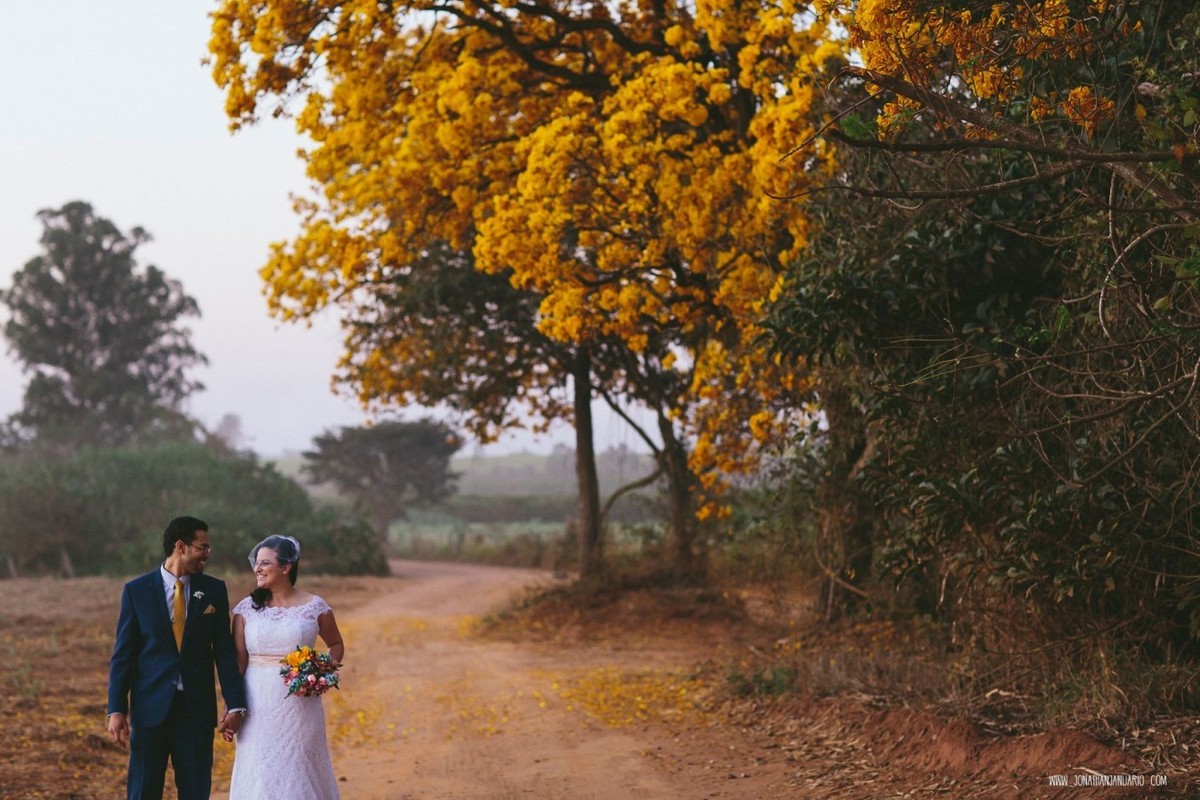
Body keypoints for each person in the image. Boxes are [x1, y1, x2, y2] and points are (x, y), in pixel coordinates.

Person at [107, 516, 247, 800]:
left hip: (195, 712)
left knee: (195, 792)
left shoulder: (214, 590)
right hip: (149, 711)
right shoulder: (136, 591)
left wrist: (235, 704)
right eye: (202, 547)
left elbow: (223, 651)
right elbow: (123, 656)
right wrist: (117, 709)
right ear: (181, 546)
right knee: (143, 792)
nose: (207, 553)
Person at [228, 534, 344, 799]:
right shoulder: (245, 610)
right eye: (257, 563)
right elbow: (239, 661)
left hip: (300, 703)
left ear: (286, 567)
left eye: (265, 563)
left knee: (298, 766)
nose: (257, 568)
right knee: (259, 767)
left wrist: (320, 673)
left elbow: (336, 644)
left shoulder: (315, 606)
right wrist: (233, 706)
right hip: (256, 701)